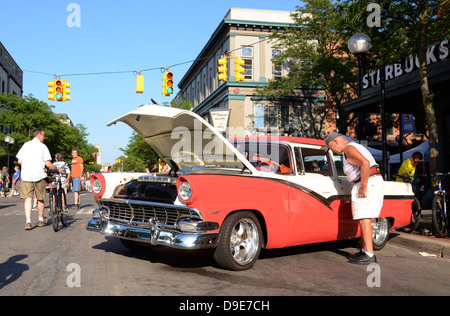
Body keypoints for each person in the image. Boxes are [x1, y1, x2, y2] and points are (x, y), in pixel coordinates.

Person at [325, 132, 384, 265]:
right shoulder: (354, 146)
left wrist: (363, 186)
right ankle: (364, 250)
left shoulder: (348, 149)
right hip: (372, 180)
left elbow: (365, 163)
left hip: (366, 181)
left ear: (335, 142)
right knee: (365, 218)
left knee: (364, 219)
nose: (333, 151)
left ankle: (369, 254)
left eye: (331, 148)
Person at [16, 128, 57, 230]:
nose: (44, 137)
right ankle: (40, 220)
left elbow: (19, 161)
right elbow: (47, 163)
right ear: (38, 135)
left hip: (26, 175)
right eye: (43, 135)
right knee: (40, 198)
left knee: (28, 198)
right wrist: (55, 169)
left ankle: (28, 222)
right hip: (39, 175)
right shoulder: (43, 147)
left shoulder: (25, 145)